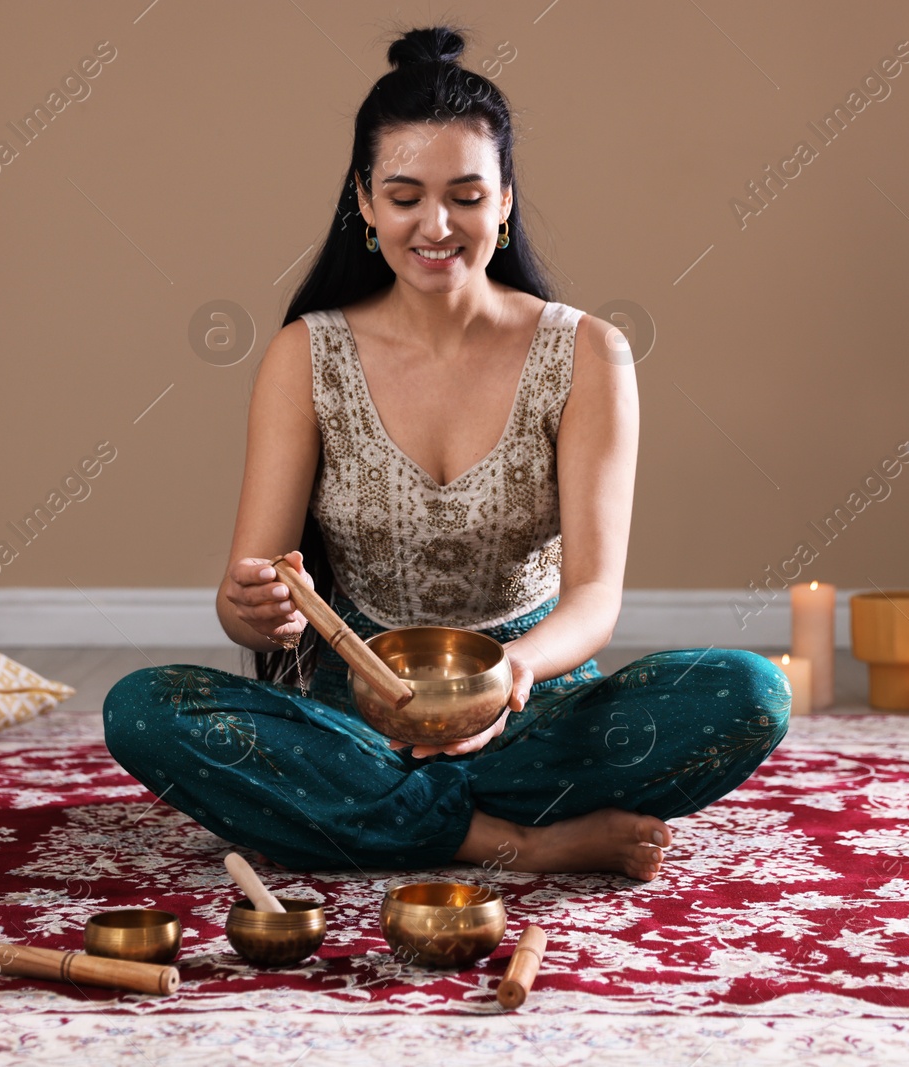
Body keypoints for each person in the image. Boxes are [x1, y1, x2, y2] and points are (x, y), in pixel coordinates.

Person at [104, 25, 789, 882]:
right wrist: (257, 608)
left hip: (531, 698)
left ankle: (368, 810)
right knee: (144, 710)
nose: (437, 225)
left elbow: (594, 600)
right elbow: (247, 603)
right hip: (354, 704)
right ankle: (520, 839)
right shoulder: (303, 355)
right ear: (363, 200)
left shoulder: (587, 354)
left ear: (504, 200)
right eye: (405, 196)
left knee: (749, 693)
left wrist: (508, 675)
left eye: (466, 195)